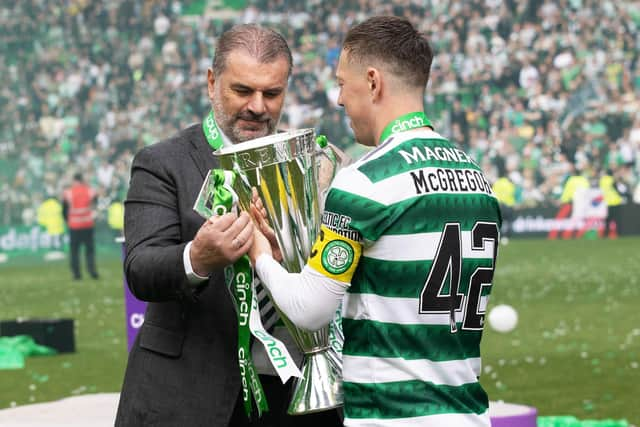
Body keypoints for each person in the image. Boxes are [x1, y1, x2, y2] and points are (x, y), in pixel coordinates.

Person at [249, 16, 502, 427]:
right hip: (468, 413)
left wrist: (261, 255)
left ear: (372, 81)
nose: (339, 99)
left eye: (341, 83)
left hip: (391, 417)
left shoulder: (366, 181)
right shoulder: (478, 179)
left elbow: (309, 310)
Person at [114, 24, 341, 427]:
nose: (258, 106)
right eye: (243, 91)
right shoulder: (163, 162)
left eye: (272, 93)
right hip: (191, 396)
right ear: (211, 83)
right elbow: (141, 267)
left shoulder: (310, 162)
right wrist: (196, 258)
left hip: (295, 395)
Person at [62, 172, 99, 280]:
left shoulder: (68, 192)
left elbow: (64, 210)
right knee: (90, 250)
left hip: (74, 225)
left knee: (74, 251)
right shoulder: (89, 190)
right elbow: (96, 201)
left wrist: (67, 220)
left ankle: (77, 274)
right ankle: (92, 272)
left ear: (74, 180)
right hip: (88, 224)